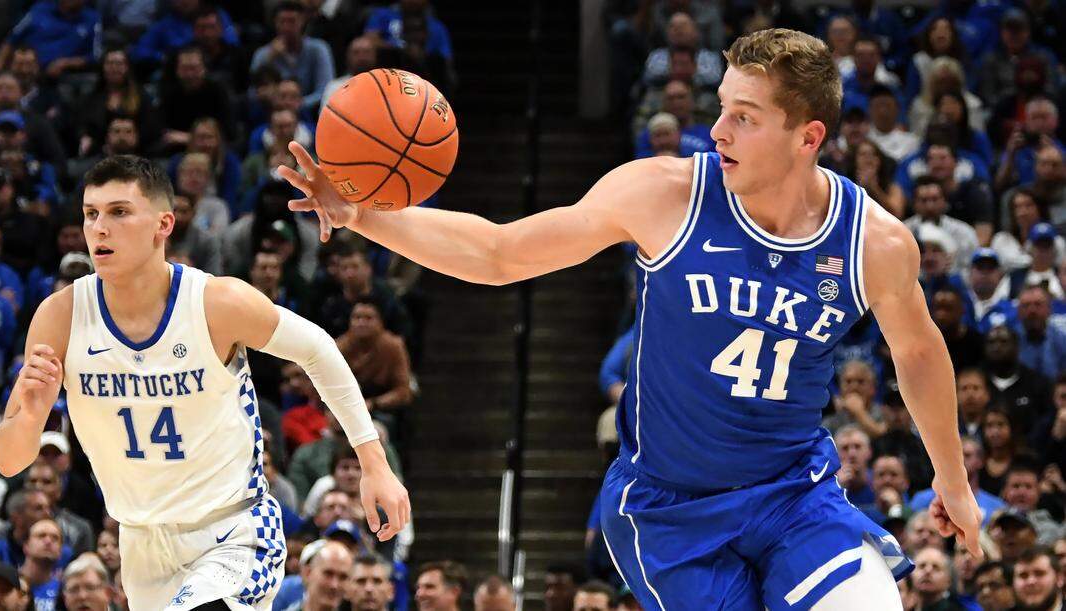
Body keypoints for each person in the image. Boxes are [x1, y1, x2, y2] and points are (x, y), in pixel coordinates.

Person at [282, 28, 982, 609]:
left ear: (808, 136)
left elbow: (918, 352)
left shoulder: (874, 241)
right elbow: (499, 253)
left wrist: (952, 480)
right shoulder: (665, 193)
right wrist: (364, 215)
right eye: (722, 105)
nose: (717, 128)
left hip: (793, 492)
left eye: (746, 116)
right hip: (668, 507)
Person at [0, 156, 408, 610]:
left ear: (163, 224)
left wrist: (374, 462)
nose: (99, 228)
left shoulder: (216, 302)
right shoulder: (61, 317)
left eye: (119, 212)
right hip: (141, 543)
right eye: (91, 214)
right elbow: (9, 461)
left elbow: (318, 349)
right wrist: (30, 416)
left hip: (233, 530)